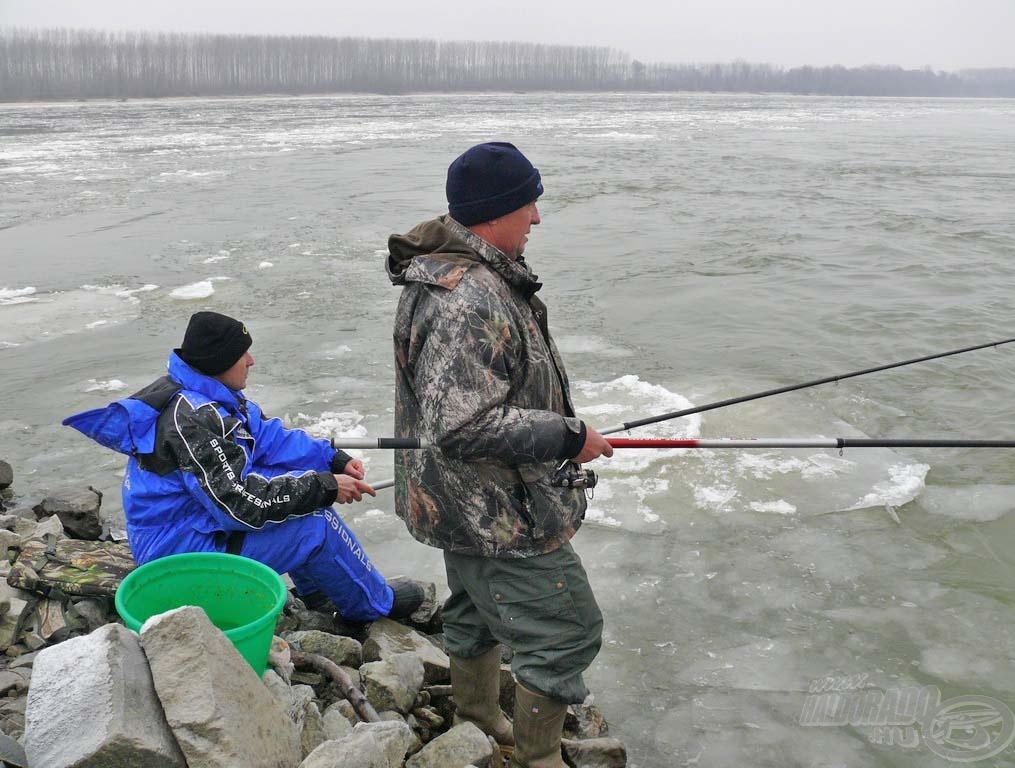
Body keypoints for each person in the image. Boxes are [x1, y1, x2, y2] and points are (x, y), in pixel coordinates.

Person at [386, 141, 614, 767]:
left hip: (463, 501)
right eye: (528, 204)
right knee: (568, 629)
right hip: (493, 510)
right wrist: (567, 435)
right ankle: (536, 758)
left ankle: (478, 716)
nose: (537, 218)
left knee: (474, 609)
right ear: (495, 212)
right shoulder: (466, 297)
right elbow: (463, 425)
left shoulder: (465, 274)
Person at [64, 311, 424, 622]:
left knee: (293, 486)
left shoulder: (208, 396)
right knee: (317, 523)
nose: (250, 360)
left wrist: (330, 459)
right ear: (219, 361)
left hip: (194, 529)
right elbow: (240, 507)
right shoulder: (192, 422)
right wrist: (326, 487)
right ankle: (374, 607)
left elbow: (267, 437)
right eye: (241, 353)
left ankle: (320, 591)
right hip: (178, 562)